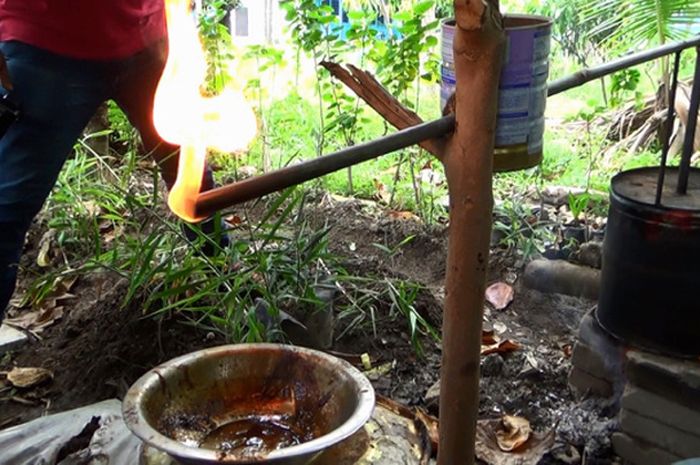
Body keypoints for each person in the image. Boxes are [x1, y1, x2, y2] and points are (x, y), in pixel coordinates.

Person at [0, 1, 226, 323]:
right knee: (7, 210)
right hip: (44, 45)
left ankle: (229, 287)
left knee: (190, 172)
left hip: (149, 38)